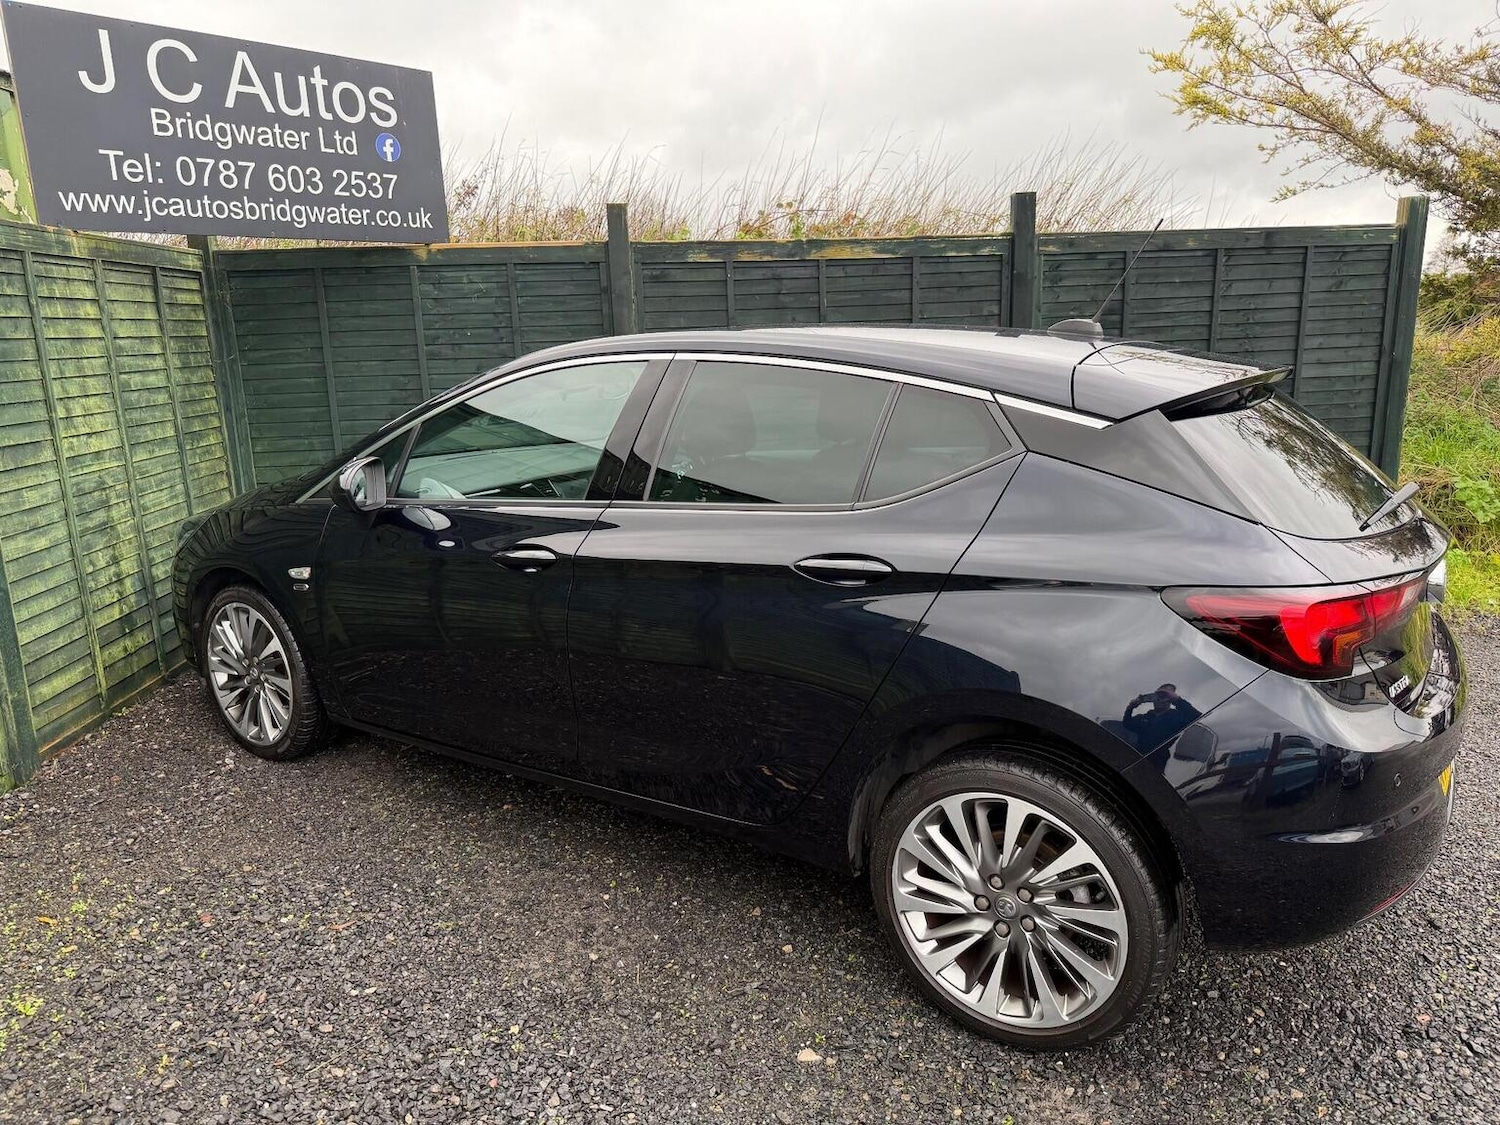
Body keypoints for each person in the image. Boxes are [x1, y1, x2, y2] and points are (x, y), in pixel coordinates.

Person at [1122, 683, 1201, 749]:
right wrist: (1130, 708)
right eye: (1158, 695)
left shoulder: (1178, 717)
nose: (1160, 699)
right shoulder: (1144, 717)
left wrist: (1178, 701)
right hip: (1136, 758)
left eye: (1165, 695)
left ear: (1171, 698)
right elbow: (1127, 724)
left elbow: (1198, 719)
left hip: (1160, 765)